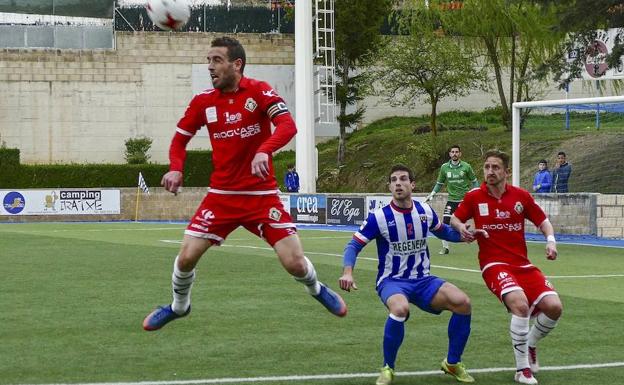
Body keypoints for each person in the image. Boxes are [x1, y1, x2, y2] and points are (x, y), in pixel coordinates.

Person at [143, 36, 347, 332]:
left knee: (295, 264)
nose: (210, 67)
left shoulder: (260, 91)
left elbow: (288, 126)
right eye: (208, 61)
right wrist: (175, 168)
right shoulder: (203, 102)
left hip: (261, 197)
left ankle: (317, 289)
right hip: (221, 197)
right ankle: (178, 306)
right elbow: (179, 140)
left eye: (217, 60)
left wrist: (264, 149)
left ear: (236, 64)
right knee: (186, 257)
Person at [339, 165, 482, 385]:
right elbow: (353, 245)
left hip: (424, 280)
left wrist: (464, 236)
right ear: (389, 186)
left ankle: (452, 363)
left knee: (463, 303)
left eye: (403, 179)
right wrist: (348, 272)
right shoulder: (379, 217)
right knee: (400, 309)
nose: (398, 183)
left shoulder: (424, 211)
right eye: (394, 180)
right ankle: (388, 368)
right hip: (392, 281)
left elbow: (443, 231)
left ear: (412, 185)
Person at [450, 150, 563, 385]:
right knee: (520, 305)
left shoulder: (521, 197)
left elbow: (543, 222)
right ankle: (522, 370)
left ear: (506, 172)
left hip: (522, 263)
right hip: (493, 263)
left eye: (495, 167)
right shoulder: (474, 197)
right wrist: (463, 229)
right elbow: (455, 218)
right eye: (487, 167)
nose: (490, 172)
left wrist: (551, 242)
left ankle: (530, 344)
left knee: (554, 307)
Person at [425, 145, 479, 255]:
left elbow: (474, 181)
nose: (454, 154)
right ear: (449, 154)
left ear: (460, 154)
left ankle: (485, 244)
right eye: (452, 152)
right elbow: (439, 183)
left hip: (465, 201)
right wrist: (432, 194)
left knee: (480, 219)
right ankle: (445, 248)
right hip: (452, 201)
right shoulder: (444, 167)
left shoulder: (466, 167)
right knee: (445, 223)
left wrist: (477, 194)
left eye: (456, 152)